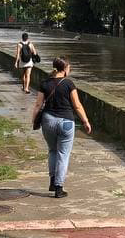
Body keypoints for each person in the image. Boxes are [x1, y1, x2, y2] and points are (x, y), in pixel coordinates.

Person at [33, 57, 91, 198]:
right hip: (66, 122)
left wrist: (34, 120)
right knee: (63, 155)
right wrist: (85, 121)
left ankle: (53, 181)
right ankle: (59, 188)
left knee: (52, 151)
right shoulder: (69, 84)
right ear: (64, 69)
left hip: (48, 121)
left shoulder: (45, 83)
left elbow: (38, 105)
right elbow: (77, 105)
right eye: (69, 67)